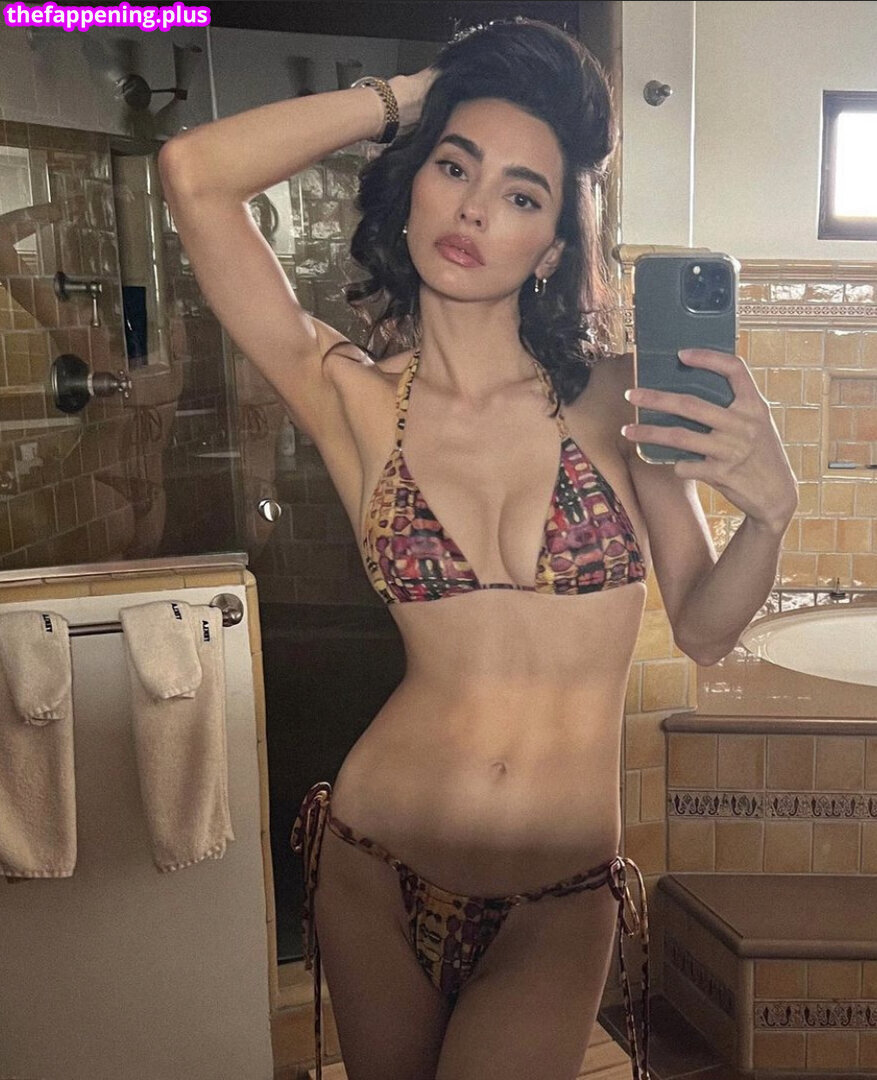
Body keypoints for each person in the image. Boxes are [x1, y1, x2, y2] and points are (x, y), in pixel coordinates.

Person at [158, 17, 798, 1080]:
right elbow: (192, 173)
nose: (472, 209)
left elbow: (704, 629)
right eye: (454, 168)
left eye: (521, 194)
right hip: (373, 857)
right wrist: (419, 93)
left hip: (558, 891)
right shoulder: (354, 398)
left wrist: (770, 516)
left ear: (551, 246)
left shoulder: (621, 400)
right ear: (413, 185)